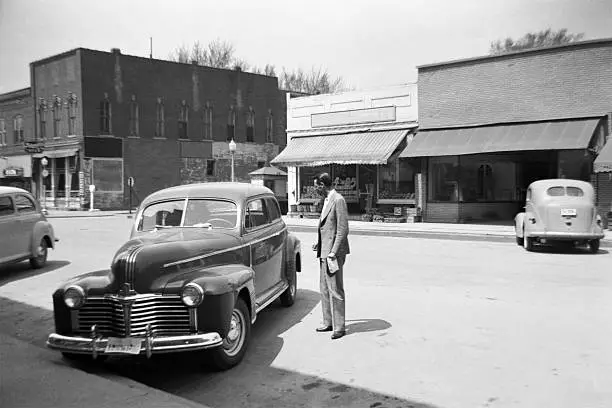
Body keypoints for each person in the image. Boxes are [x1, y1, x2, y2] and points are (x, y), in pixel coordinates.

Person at [311, 172, 350, 340]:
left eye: (316, 186)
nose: (315, 189)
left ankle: (339, 327)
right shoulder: (326, 200)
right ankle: (328, 322)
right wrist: (320, 244)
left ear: (322, 184)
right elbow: (327, 228)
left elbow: (342, 229)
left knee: (335, 289)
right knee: (324, 288)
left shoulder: (338, 200)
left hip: (333, 253)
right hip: (324, 252)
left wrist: (333, 252)